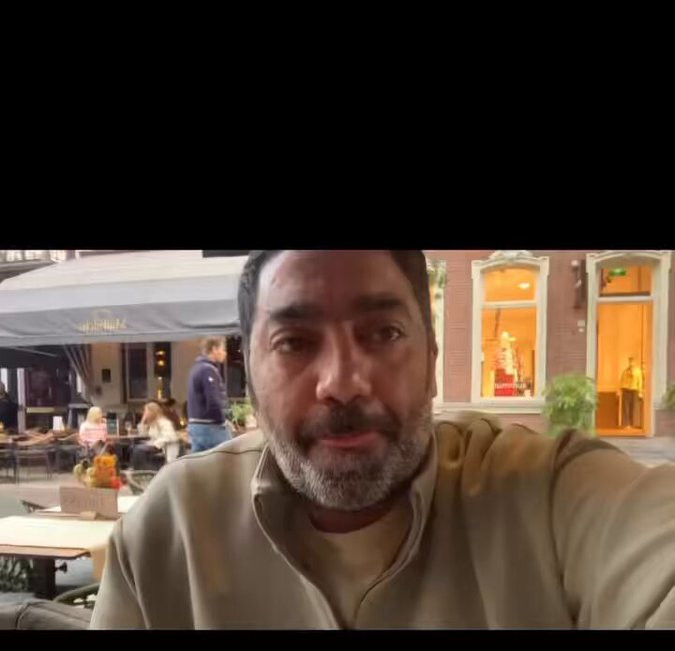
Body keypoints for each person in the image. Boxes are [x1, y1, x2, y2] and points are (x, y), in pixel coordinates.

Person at [91, 249, 675, 630]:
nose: (342, 382)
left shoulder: (551, 499)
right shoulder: (168, 534)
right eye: (294, 342)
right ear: (252, 374)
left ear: (433, 358)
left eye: (384, 333)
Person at [186, 337, 233, 452]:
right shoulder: (208, 370)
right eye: (223, 349)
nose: (225, 353)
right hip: (211, 426)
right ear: (214, 349)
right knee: (228, 456)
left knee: (200, 460)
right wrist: (222, 420)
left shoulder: (195, 368)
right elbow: (214, 400)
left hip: (195, 424)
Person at [131, 402, 180, 470]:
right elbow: (142, 434)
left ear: (152, 412)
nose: (144, 413)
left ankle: (144, 469)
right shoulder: (153, 423)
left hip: (163, 447)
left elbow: (171, 436)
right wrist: (142, 421)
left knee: (138, 450)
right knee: (132, 447)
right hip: (155, 445)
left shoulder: (164, 422)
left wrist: (156, 444)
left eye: (145, 411)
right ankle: (138, 469)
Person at [619, 357, 643, 428]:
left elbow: (640, 381)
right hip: (626, 389)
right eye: (630, 361)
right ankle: (626, 424)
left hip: (634, 389)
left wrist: (640, 392)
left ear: (635, 362)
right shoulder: (625, 371)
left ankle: (633, 423)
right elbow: (622, 380)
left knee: (634, 407)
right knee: (626, 407)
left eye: (632, 361)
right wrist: (620, 389)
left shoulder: (638, 371)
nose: (631, 363)